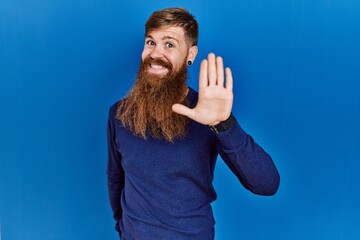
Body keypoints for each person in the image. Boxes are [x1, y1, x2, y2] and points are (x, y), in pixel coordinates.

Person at [107, 7, 280, 240]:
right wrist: (123, 230)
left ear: (191, 54)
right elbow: (116, 179)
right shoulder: (119, 114)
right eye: (150, 42)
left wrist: (223, 123)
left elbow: (267, 184)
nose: (155, 54)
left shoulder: (208, 113)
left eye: (169, 45)